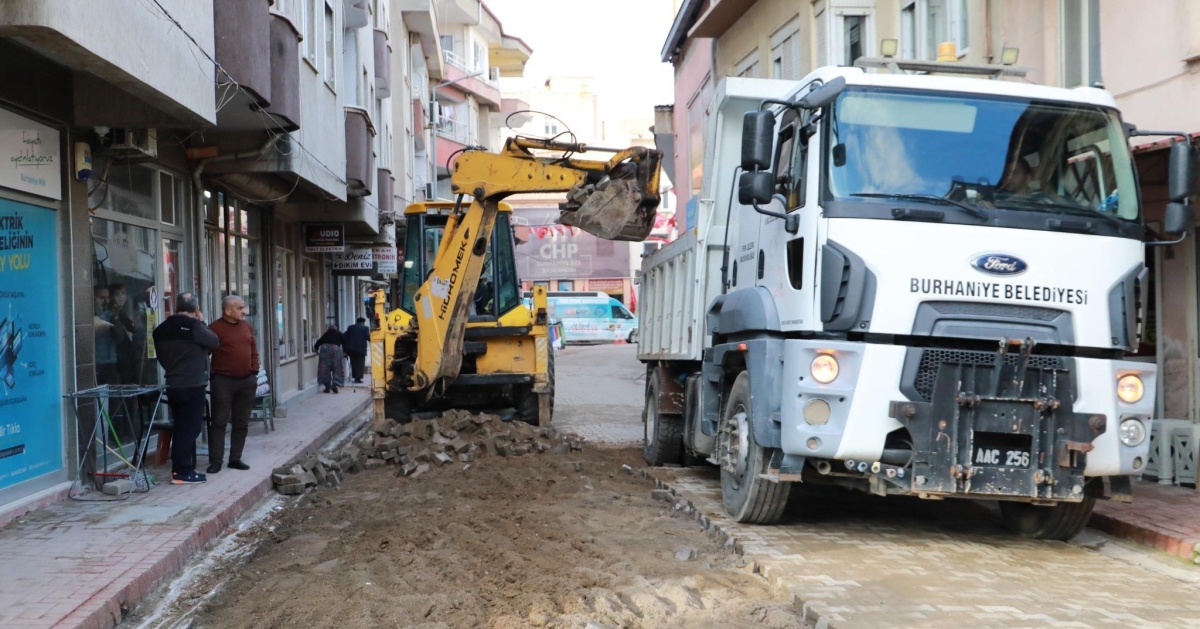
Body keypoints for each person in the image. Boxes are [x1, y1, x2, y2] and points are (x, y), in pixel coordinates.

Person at [152, 292, 218, 485]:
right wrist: (202, 322)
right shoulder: (195, 326)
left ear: (176, 306)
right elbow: (215, 342)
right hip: (193, 384)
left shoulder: (161, 329)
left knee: (180, 426)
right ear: (196, 309)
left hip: (173, 384)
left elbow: (162, 358)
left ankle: (180, 469)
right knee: (189, 429)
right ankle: (183, 471)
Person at [207, 295, 260, 474]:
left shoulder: (246, 326)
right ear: (228, 310)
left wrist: (254, 371)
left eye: (243, 308)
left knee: (241, 422)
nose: (243, 311)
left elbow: (253, 349)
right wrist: (213, 376)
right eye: (239, 308)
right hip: (223, 381)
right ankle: (216, 460)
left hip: (246, 381)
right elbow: (204, 353)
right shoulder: (214, 328)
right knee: (219, 421)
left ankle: (235, 458)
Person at [314, 324, 345, 393]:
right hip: (335, 351)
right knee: (337, 368)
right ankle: (335, 384)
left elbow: (318, 342)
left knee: (325, 369)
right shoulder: (339, 333)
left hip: (325, 351)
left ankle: (327, 387)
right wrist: (346, 352)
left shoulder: (326, 334)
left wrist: (316, 349)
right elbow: (345, 342)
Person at [343, 317, 370, 384]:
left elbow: (344, 336)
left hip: (351, 349)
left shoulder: (350, 328)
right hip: (361, 349)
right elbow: (368, 337)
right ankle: (358, 379)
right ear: (363, 322)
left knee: (354, 363)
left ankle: (355, 377)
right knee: (360, 364)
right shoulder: (365, 328)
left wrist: (346, 348)